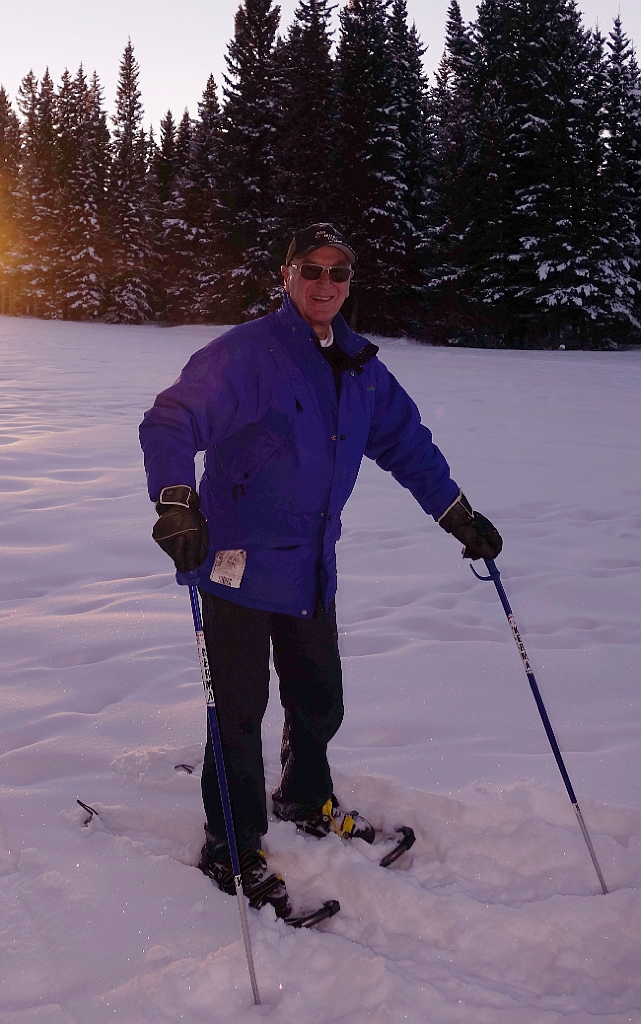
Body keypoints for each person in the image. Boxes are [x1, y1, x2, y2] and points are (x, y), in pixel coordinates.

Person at [139, 223, 502, 917]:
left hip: (309, 567)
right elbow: (171, 420)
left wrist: (456, 514)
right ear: (286, 275)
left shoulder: (361, 366)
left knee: (320, 697)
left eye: (340, 273)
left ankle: (304, 796)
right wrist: (176, 501)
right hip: (236, 565)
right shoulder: (249, 355)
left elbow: (407, 445)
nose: (326, 285)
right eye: (313, 270)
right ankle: (233, 842)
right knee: (238, 713)